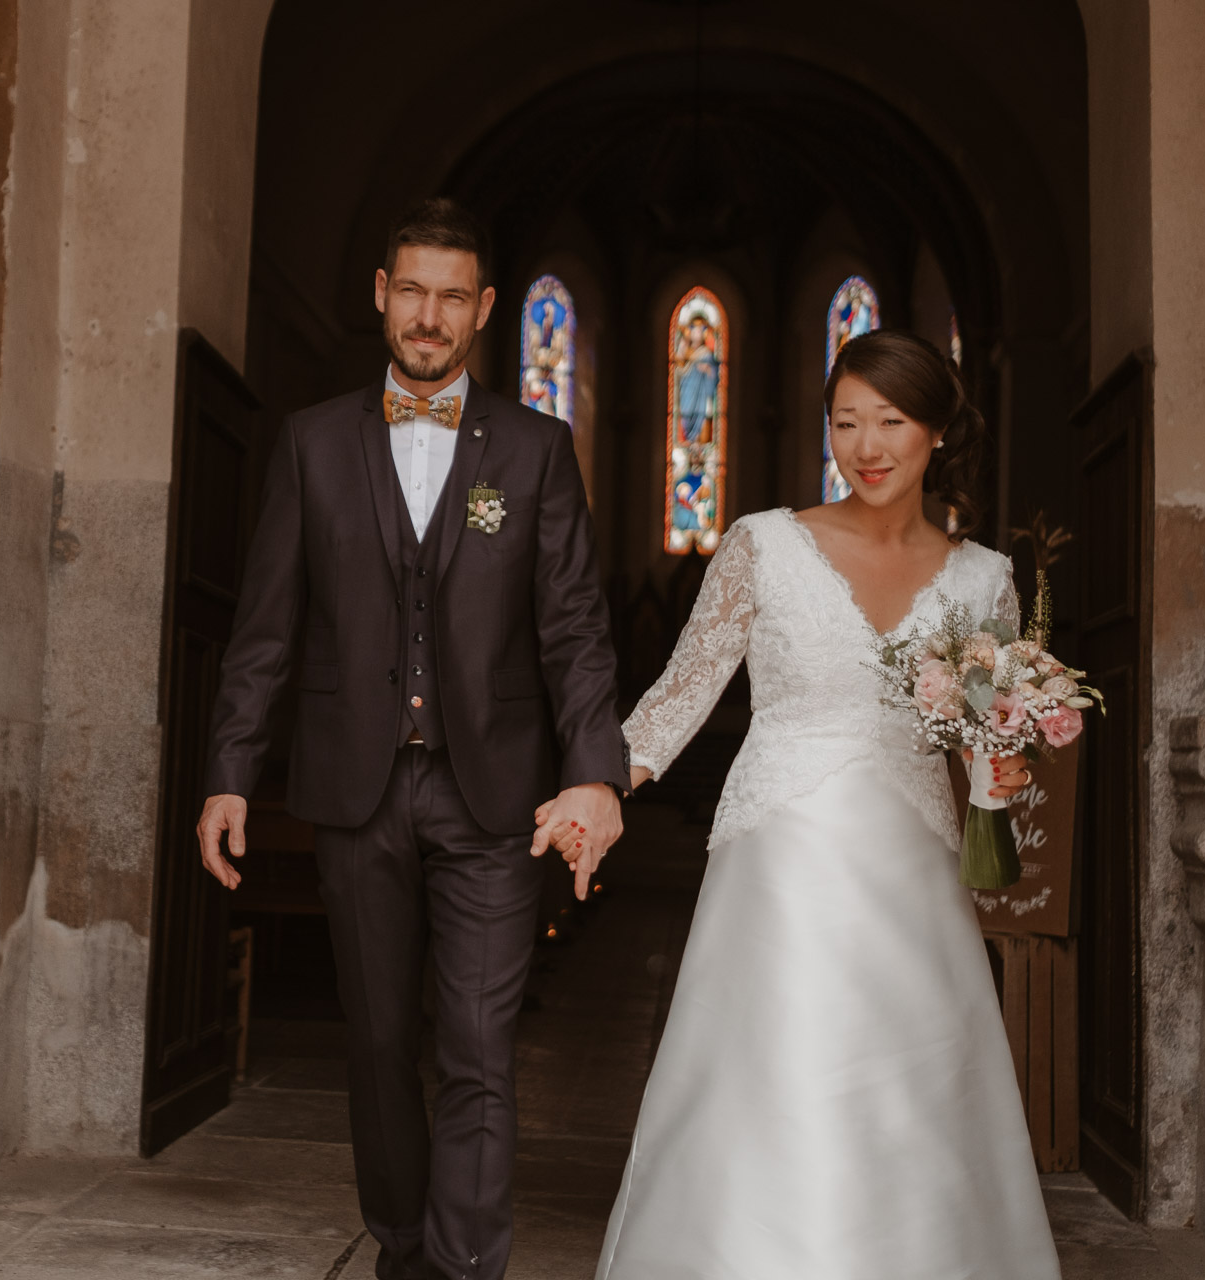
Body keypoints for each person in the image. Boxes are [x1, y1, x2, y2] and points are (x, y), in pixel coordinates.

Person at [196, 197, 630, 1280]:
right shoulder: (309, 441)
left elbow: (574, 627)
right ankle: (399, 1242)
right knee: (380, 1041)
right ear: (379, 295)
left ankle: (463, 1263)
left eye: (451, 296)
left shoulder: (536, 450)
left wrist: (593, 774)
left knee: (478, 1047)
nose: (427, 316)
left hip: (493, 796)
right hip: (352, 789)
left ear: (483, 309)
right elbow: (264, 627)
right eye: (410, 291)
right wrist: (230, 773)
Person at [576, 329, 1062, 1277]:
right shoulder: (764, 545)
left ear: (936, 433)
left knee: (917, 1098)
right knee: (774, 1083)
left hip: (916, 874)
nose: (867, 445)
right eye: (846, 422)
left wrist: (1004, 773)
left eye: (892, 421)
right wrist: (598, 786)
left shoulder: (985, 578)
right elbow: (679, 696)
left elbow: (986, 737)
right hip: (781, 867)